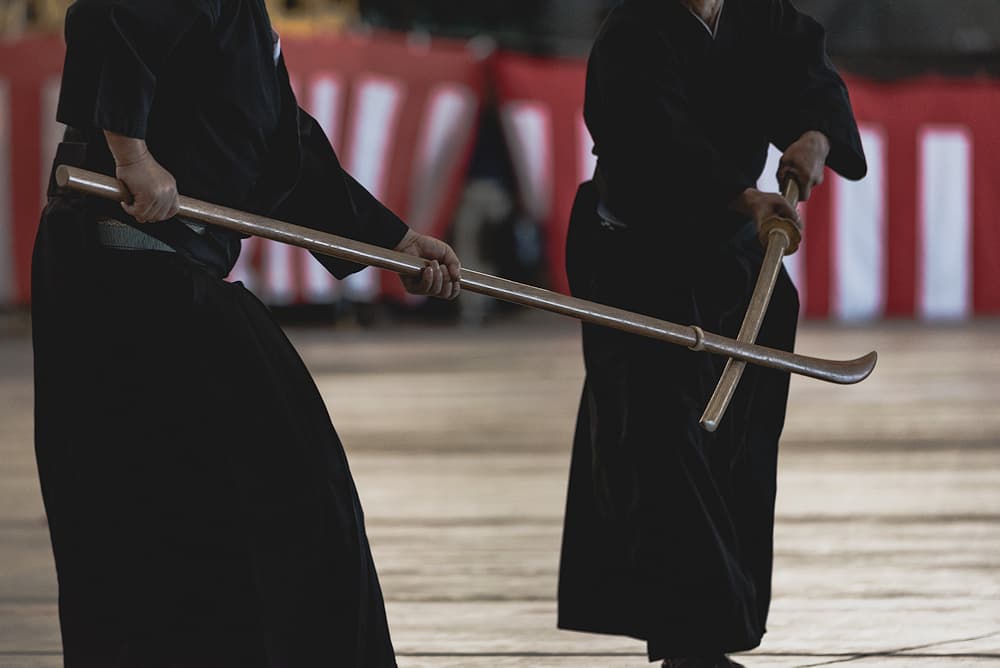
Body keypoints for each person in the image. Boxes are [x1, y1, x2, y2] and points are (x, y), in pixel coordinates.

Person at [32, 1, 461, 666]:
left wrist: (395, 246)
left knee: (239, 506)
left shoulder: (247, 22)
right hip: (129, 264)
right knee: (205, 501)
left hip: (172, 273)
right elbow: (108, 15)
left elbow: (278, 139)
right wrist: (133, 153)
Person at [559, 1, 867, 666]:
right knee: (662, 443)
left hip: (731, 262)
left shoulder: (760, 15)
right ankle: (696, 640)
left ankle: (704, 636)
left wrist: (817, 137)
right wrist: (745, 196)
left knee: (738, 450)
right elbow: (646, 135)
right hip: (638, 257)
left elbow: (812, 79)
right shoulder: (634, 27)